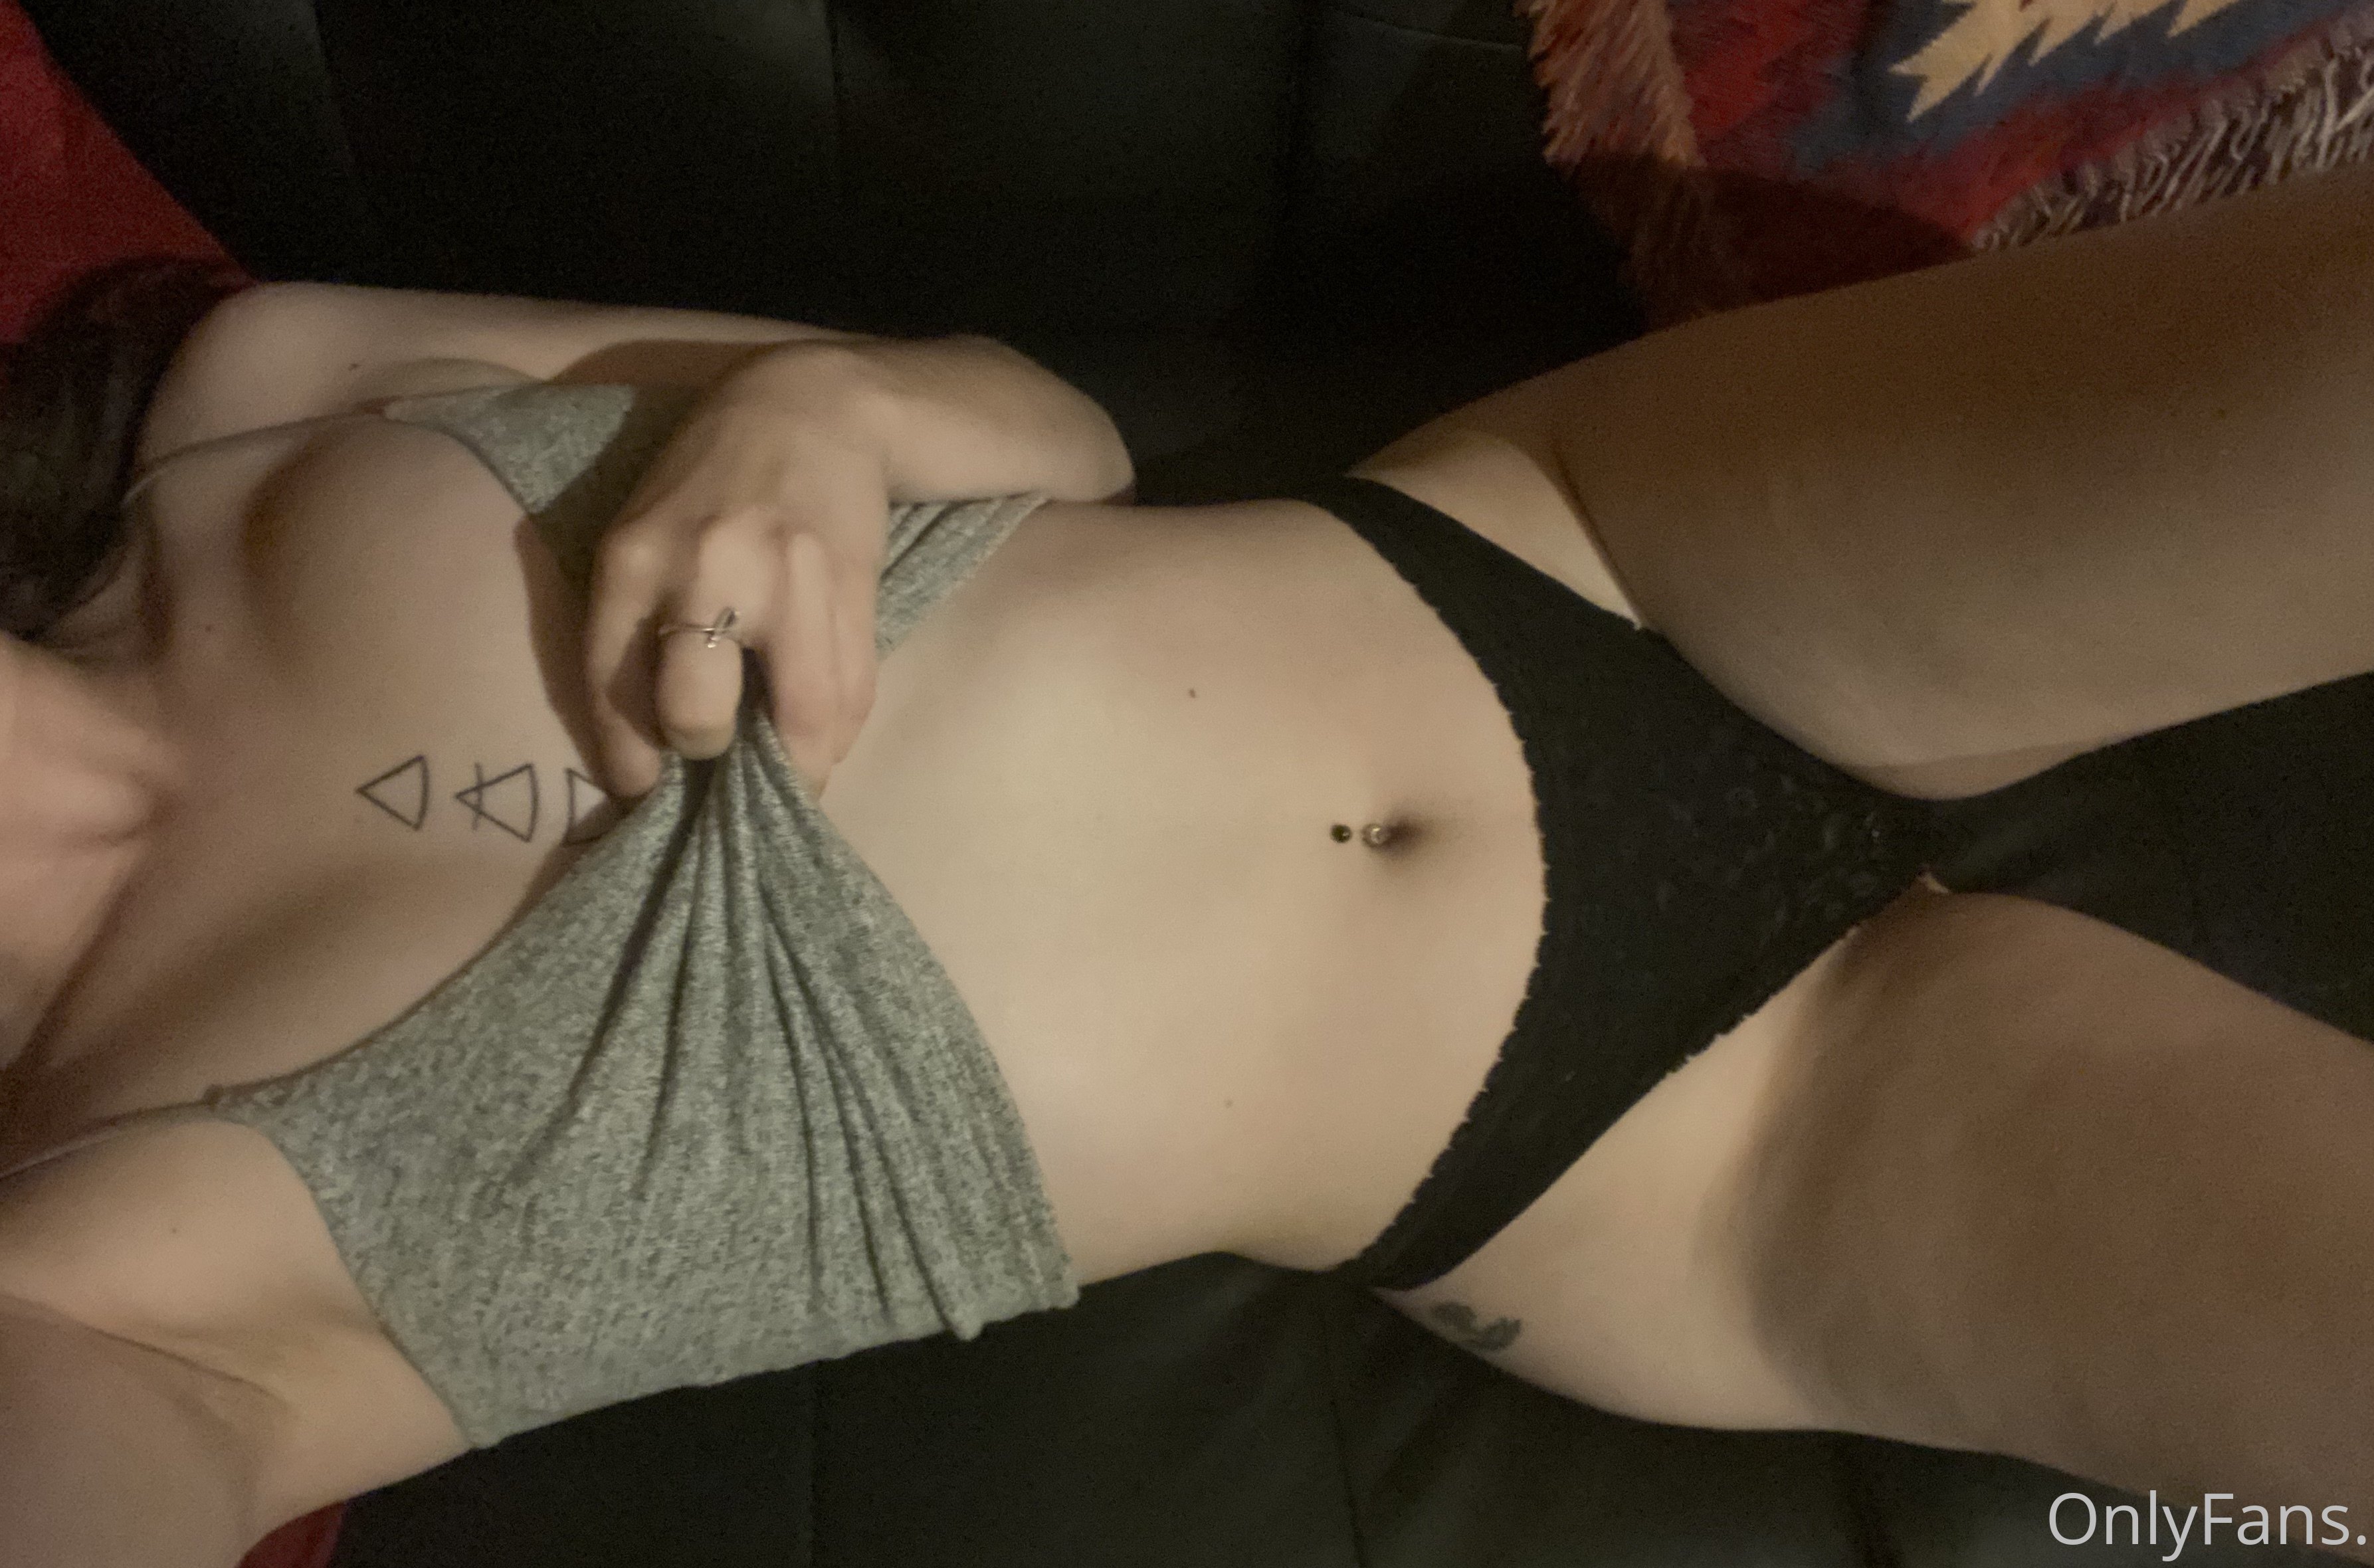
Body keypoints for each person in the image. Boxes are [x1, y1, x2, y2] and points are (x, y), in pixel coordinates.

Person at [5, 156, 2374, 1567]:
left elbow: (1052, 431)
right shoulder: (83, 1295)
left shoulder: (253, 399)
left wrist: (818, 411)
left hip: (1595, 551)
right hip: (1682, 1148)